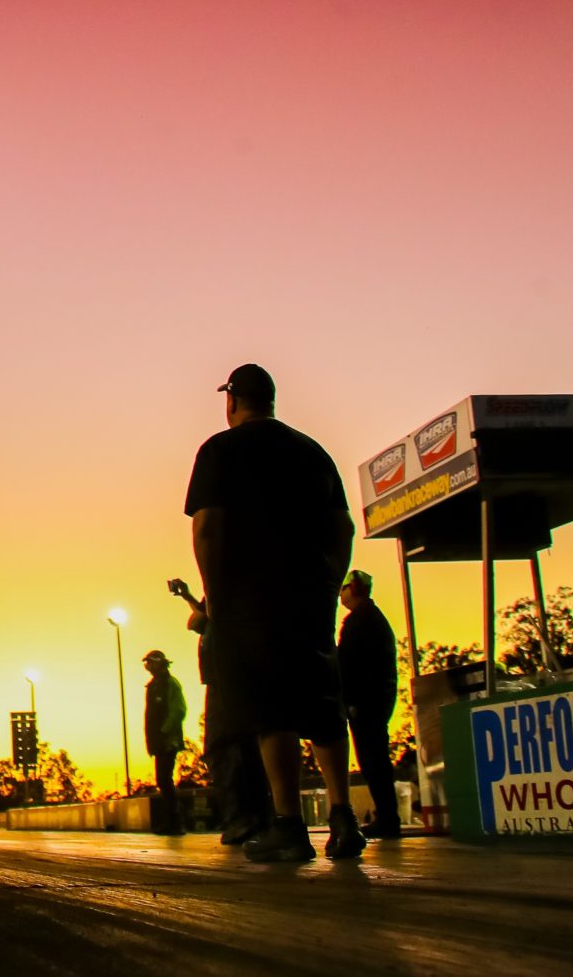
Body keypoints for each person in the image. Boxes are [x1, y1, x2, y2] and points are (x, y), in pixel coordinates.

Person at [184, 363, 364, 862]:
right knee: (323, 702)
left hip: (248, 598)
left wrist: (213, 592)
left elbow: (206, 528)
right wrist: (329, 579)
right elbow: (343, 528)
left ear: (232, 401)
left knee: (271, 709)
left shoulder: (219, 451)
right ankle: (343, 816)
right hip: (309, 594)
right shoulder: (312, 452)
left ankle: (288, 823)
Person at [171, 578, 273, 843]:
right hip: (233, 674)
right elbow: (203, 614)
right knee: (246, 747)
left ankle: (242, 817)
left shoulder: (226, 587)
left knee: (223, 748)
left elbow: (197, 621)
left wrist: (199, 614)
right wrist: (189, 597)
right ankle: (259, 816)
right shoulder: (232, 590)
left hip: (225, 677)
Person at [339, 569, 402, 838]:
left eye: (343, 588)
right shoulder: (372, 619)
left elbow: (348, 665)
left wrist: (350, 700)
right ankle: (387, 816)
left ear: (352, 588)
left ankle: (388, 819)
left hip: (366, 702)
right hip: (375, 699)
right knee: (374, 759)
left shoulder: (360, 622)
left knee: (373, 760)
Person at [141, 649, 187, 835]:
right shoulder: (153, 686)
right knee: (163, 779)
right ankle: (172, 821)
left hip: (168, 740)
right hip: (159, 741)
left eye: (150, 663)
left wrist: (164, 731)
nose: (147, 666)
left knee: (164, 779)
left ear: (159, 663)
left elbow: (179, 710)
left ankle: (175, 823)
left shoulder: (170, 684)